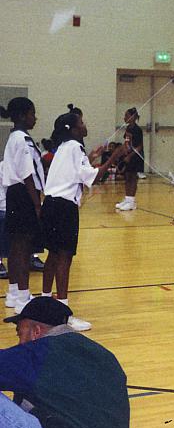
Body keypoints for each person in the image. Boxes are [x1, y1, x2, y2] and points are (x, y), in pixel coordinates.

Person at [0, 296, 142, 428]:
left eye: (20, 334)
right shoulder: (105, 355)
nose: (19, 343)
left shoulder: (38, 352)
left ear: (36, 331)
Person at [40, 112, 124, 331]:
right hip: (64, 208)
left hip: (50, 205)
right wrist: (114, 157)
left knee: (54, 255)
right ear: (73, 128)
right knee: (64, 259)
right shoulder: (75, 148)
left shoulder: (65, 147)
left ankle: (45, 302)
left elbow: (76, 171)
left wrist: (93, 156)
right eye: (82, 123)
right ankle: (62, 315)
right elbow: (94, 178)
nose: (85, 125)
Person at [0, 97, 45, 312]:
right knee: (23, 248)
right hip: (24, 195)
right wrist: (37, 205)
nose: (34, 118)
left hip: (15, 194)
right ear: (21, 115)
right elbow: (28, 174)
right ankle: (24, 296)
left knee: (17, 247)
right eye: (32, 113)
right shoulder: (22, 139)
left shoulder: (14, 138)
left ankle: (14, 292)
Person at [115, 107, 144, 211]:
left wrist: (130, 155)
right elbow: (127, 141)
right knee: (127, 177)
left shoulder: (137, 130)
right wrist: (122, 151)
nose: (124, 118)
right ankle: (127, 199)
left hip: (135, 157)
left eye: (126, 116)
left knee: (132, 178)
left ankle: (131, 201)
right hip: (128, 155)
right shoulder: (128, 129)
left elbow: (139, 146)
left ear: (133, 117)